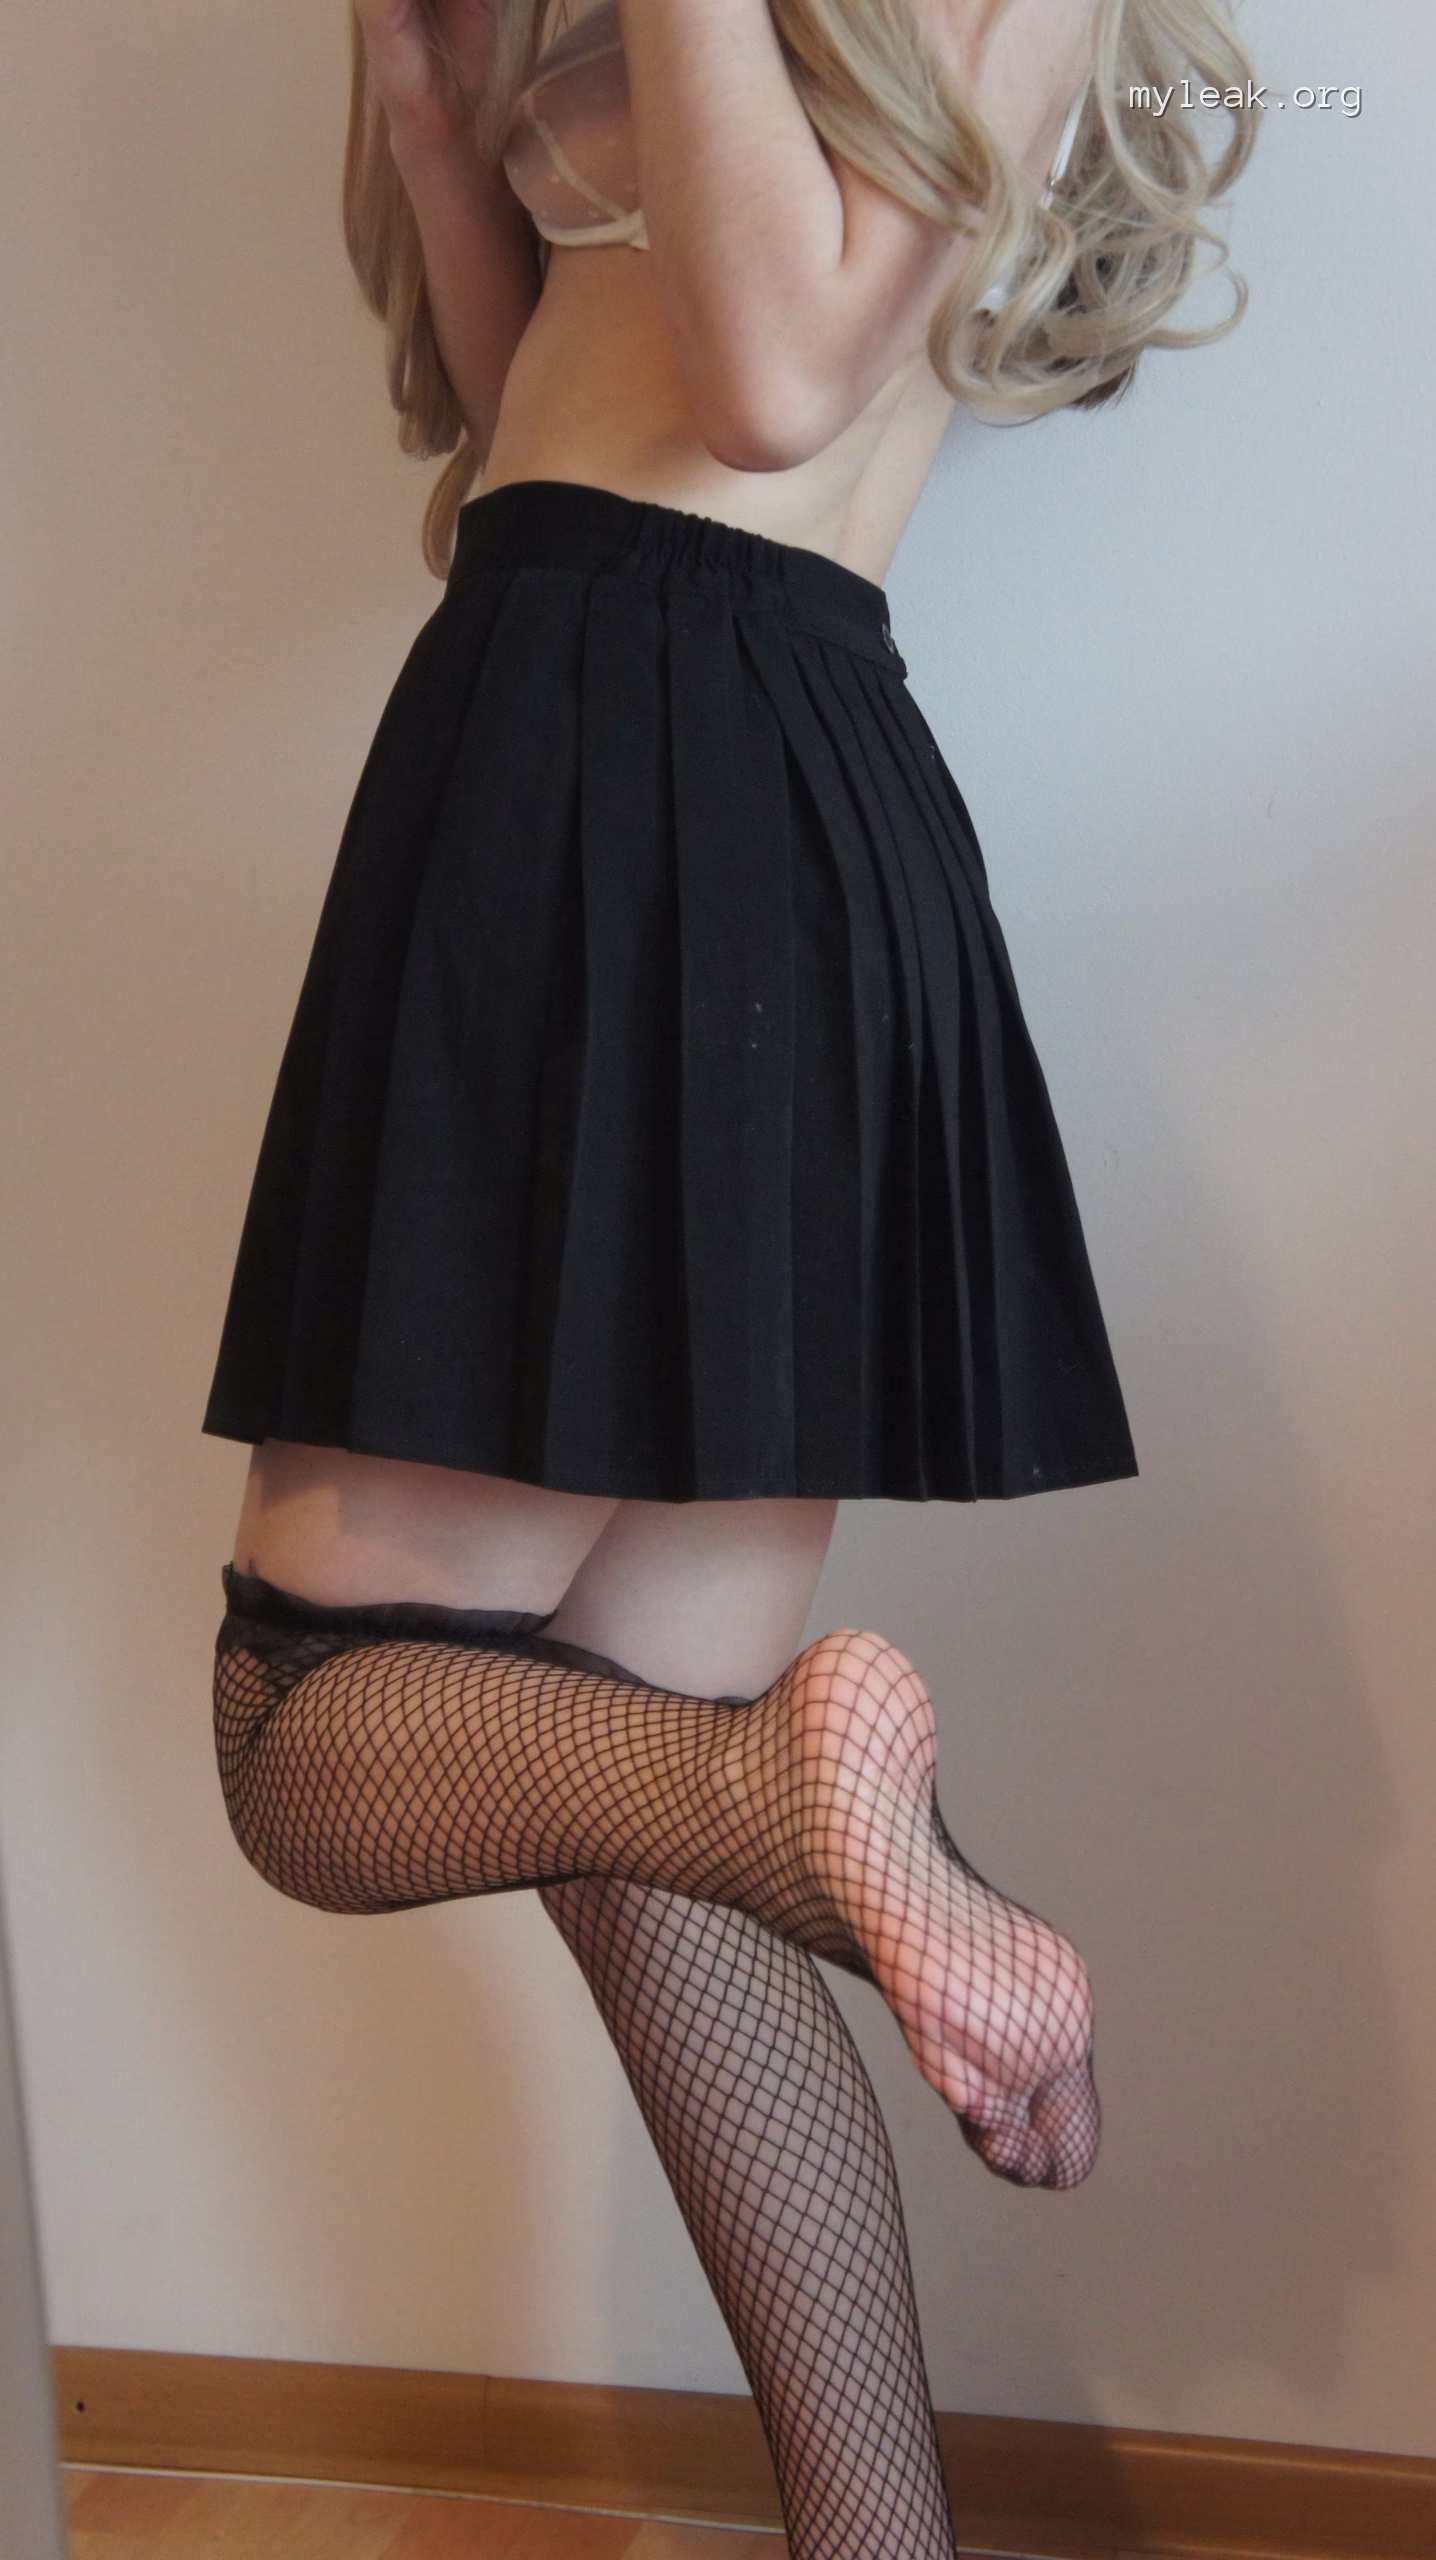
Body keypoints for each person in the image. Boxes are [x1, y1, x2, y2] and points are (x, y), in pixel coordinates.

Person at [203, 2, 1257, 2550]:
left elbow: (778, 385)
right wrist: (438, 120)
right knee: (632, 1816)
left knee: (305, 1735)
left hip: (636, 763)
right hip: (657, 750)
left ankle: (790, 1788)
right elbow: (532, 435)